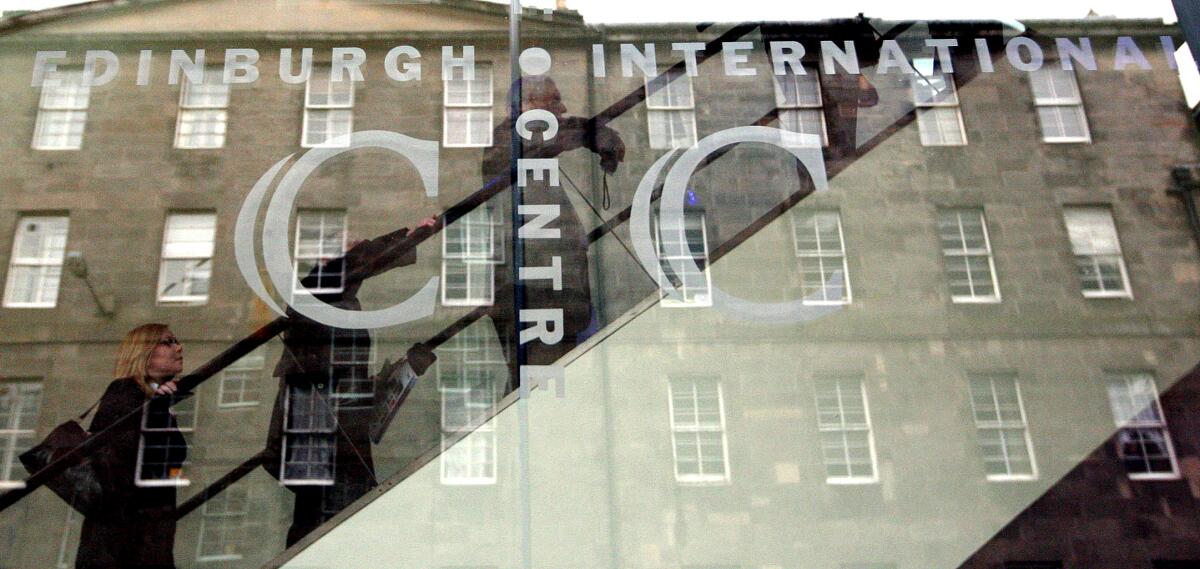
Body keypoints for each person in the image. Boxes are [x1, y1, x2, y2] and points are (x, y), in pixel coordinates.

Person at [264, 218, 439, 546]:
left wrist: (401, 374)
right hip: (324, 443)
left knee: (329, 528)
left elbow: (343, 383)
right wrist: (410, 235)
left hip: (333, 439)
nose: (361, 260)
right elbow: (358, 263)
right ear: (328, 261)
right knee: (328, 530)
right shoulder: (316, 290)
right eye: (354, 251)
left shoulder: (337, 305)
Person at [481, 75, 626, 393]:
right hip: (535, 292)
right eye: (553, 100)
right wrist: (597, 134)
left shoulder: (527, 150)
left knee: (554, 385)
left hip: (554, 291)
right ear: (527, 106)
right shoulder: (506, 142)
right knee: (538, 387)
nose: (561, 107)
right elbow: (550, 135)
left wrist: (597, 136)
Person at [76, 323, 187, 569]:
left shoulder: (145, 398)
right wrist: (158, 408)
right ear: (143, 352)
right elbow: (126, 464)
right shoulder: (124, 392)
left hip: (140, 537)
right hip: (123, 544)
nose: (179, 348)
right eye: (168, 342)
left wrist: (159, 404)